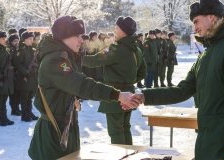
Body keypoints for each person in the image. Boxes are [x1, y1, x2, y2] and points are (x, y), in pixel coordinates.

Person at [134, 0, 224, 159]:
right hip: (206, 137)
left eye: (196, 21)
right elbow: (183, 90)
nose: (194, 28)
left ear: (212, 18)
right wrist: (145, 95)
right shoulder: (206, 55)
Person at [28, 15, 141, 160]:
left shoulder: (66, 56)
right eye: (77, 35)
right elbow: (81, 84)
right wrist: (117, 95)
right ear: (64, 36)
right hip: (54, 132)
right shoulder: (55, 60)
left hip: (66, 127)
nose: (81, 40)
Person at [83, 16, 147, 145]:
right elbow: (142, 72)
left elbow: (94, 61)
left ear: (123, 31)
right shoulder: (137, 50)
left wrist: (76, 57)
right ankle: (129, 155)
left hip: (115, 95)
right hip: (130, 92)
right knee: (125, 128)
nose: (114, 30)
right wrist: (129, 81)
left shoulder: (116, 49)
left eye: (116, 28)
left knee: (116, 131)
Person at [14, 31, 39, 122]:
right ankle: (25, 115)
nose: (32, 41)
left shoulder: (32, 50)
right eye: (30, 39)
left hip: (32, 78)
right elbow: (18, 64)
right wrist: (26, 72)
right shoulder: (21, 50)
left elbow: (35, 62)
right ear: (24, 40)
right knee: (24, 98)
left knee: (29, 98)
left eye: (32, 39)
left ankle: (29, 113)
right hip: (24, 78)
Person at [0, 31, 14, 126]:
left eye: (5, 38)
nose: (4, 40)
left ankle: (4, 118)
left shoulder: (5, 49)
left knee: (3, 100)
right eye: (2, 38)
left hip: (6, 79)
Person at [7, 34, 21, 116]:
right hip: (12, 75)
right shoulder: (9, 50)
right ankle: (14, 109)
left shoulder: (18, 49)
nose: (16, 42)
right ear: (11, 42)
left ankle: (17, 108)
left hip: (18, 75)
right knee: (13, 93)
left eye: (17, 40)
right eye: (15, 41)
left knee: (17, 93)